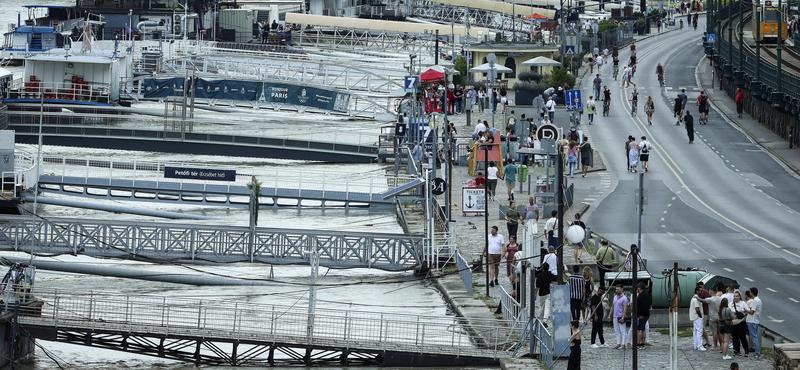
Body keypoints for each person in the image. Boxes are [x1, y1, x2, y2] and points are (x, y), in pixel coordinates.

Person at [730, 290, 750, 356]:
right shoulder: (730, 304)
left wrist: (744, 318)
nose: (735, 297)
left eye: (737, 296)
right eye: (734, 296)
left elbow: (748, 311)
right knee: (734, 337)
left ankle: (746, 351)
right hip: (733, 323)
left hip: (741, 323)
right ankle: (736, 350)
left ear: (740, 297)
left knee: (742, 337)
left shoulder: (743, 303)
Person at [608, 284, 629, 349]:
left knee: (622, 331)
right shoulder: (615, 297)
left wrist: (623, 317)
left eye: (618, 289)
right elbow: (612, 306)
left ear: (622, 289)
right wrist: (609, 315)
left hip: (620, 316)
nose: (616, 290)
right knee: (616, 331)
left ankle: (623, 344)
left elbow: (625, 308)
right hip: (615, 316)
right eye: (616, 289)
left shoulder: (624, 298)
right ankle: (618, 343)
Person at [746, 287, 762, 359]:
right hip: (755, 320)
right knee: (754, 337)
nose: (749, 293)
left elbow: (752, 312)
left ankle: (757, 353)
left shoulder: (754, 301)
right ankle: (757, 352)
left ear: (752, 293)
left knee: (754, 337)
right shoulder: (758, 300)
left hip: (752, 320)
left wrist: (745, 309)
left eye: (750, 292)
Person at [635, 282, 652, 349]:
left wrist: (641, 314)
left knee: (640, 329)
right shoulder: (644, 294)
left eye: (637, 288)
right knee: (643, 329)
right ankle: (642, 342)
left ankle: (639, 343)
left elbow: (644, 306)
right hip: (644, 314)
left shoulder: (643, 295)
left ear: (640, 288)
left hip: (643, 314)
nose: (637, 289)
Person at [690, 286, 706, 351]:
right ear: (697, 291)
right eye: (700, 291)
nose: (702, 292)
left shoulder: (694, 298)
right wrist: (701, 316)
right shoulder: (696, 299)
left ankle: (696, 345)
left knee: (696, 331)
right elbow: (697, 309)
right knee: (699, 331)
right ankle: (700, 346)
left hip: (695, 317)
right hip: (698, 317)